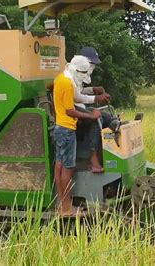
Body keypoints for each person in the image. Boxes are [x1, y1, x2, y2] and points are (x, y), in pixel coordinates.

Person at [53, 55, 101, 216]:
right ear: (76, 70)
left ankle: (62, 204)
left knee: (59, 166)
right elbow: (70, 110)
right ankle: (66, 208)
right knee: (68, 168)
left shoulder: (63, 78)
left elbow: (77, 97)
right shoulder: (66, 82)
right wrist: (91, 116)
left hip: (61, 128)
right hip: (66, 129)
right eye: (83, 72)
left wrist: (94, 97)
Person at [73, 47, 113, 173]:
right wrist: (96, 97)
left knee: (107, 117)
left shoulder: (79, 74)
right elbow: (75, 96)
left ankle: (106, 153)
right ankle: (92, 158)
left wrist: (92, 90)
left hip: (80, 106)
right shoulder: (72, 74)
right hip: (72, 108)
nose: (92, 66)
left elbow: (78, 91)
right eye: (91, 63)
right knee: (96, 119)